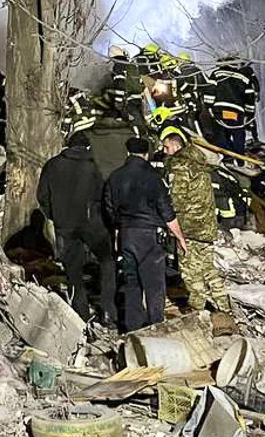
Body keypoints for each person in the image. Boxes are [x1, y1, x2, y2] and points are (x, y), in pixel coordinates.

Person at [103, 135, 188, 333]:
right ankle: (155, 326)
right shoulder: (154, 178)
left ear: (128, 153)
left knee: (131, 283)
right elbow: (166, 210)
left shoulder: (115, 177)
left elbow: (108, 208)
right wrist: (179, 237)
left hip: (126, 234)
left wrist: (118, 228)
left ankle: (133, 329)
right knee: (154, 284)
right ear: (146, 154)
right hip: (150, 236)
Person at [36, 130, 115, 323]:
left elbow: (42, 196)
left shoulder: (52, 165)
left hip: (65, 225)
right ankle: (108, 309)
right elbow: (103, 196)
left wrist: (54, 216)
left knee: (73, 271)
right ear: (87, 147)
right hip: (92, 224)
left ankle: (81, 314)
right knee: (107, 261)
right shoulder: (93, 167)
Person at [160, 127, 233, 317]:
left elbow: (177, 199)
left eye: (166, 147)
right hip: (206, 226)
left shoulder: (179, 167)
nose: (164, 151)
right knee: (208, 267)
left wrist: (171, 225)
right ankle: (223, 304)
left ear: (176, 146)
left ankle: (197, 309)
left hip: (189, 227)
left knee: (190, 271)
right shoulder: (200, 163)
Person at [200, 61, 255, 156]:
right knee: (238, 134)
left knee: (219, 133)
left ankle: (227, 156)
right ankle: (239, 157)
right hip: (237, 111)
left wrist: (209, 106)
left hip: (220, 109)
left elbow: (210, 90)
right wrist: (249, 114)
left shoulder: (217, 74)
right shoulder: (244, 77)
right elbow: (250, 97)